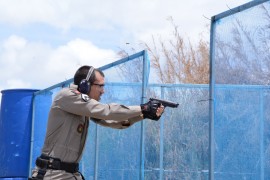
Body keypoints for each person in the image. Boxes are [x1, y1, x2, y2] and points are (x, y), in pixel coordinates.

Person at [30, 65, 164, 180]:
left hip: (69, 174)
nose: (103, 91)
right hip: (53, 175)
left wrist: (144, 115)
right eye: (100, 86)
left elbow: (113, 121)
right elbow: (107, 111)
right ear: (85, 84)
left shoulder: (83, 107)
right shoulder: (67, 96)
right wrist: (143, 107)